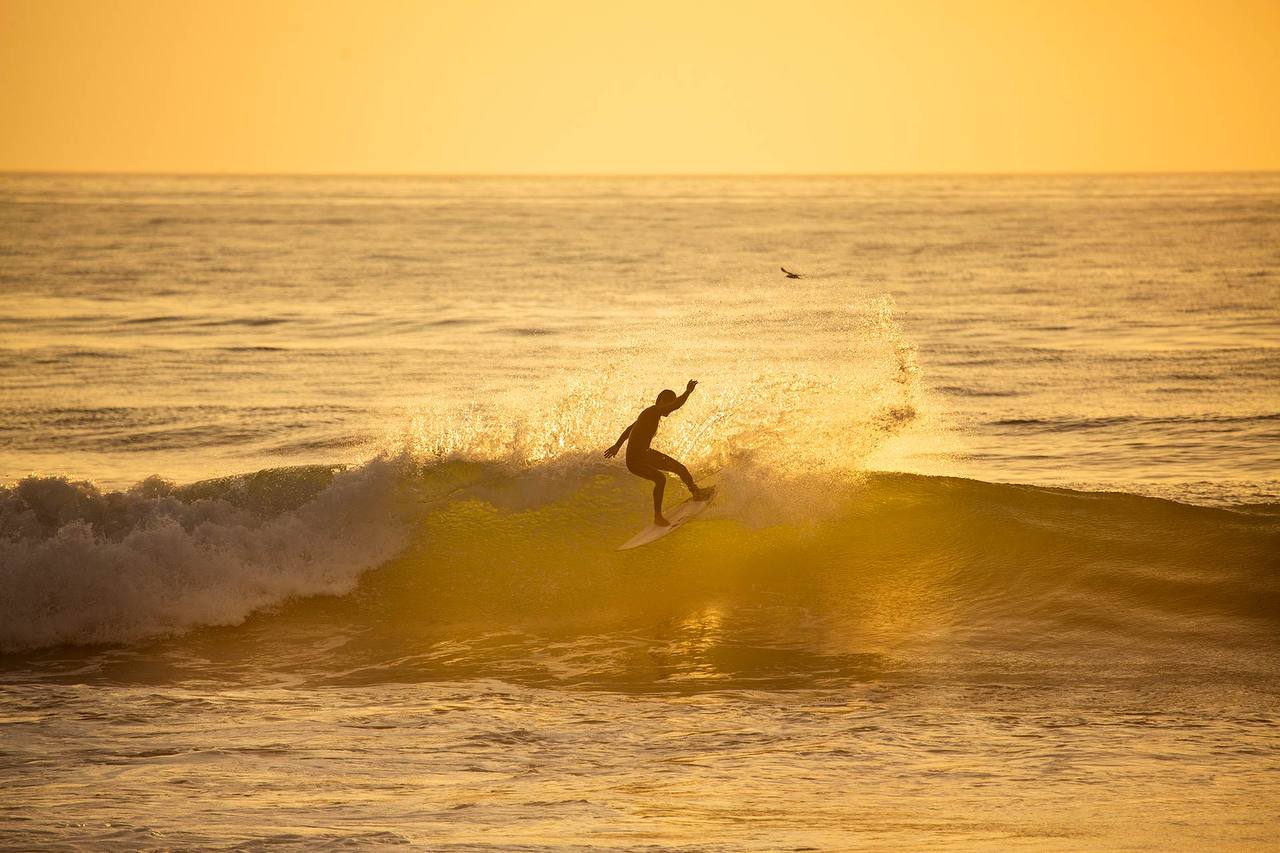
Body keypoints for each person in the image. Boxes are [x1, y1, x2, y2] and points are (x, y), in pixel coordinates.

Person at [604, 380, 712, 526]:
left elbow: (630, 429)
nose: (670, 409)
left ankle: (696, 493)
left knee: (680, 469)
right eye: (668, 404)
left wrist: (617, 445)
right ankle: (658, 517)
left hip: (644, 454)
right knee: (660, 479)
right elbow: (675, 405)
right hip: (636, 460)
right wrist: (688, 391)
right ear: (661, 401)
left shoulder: (649, 414)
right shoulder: (653, 411)